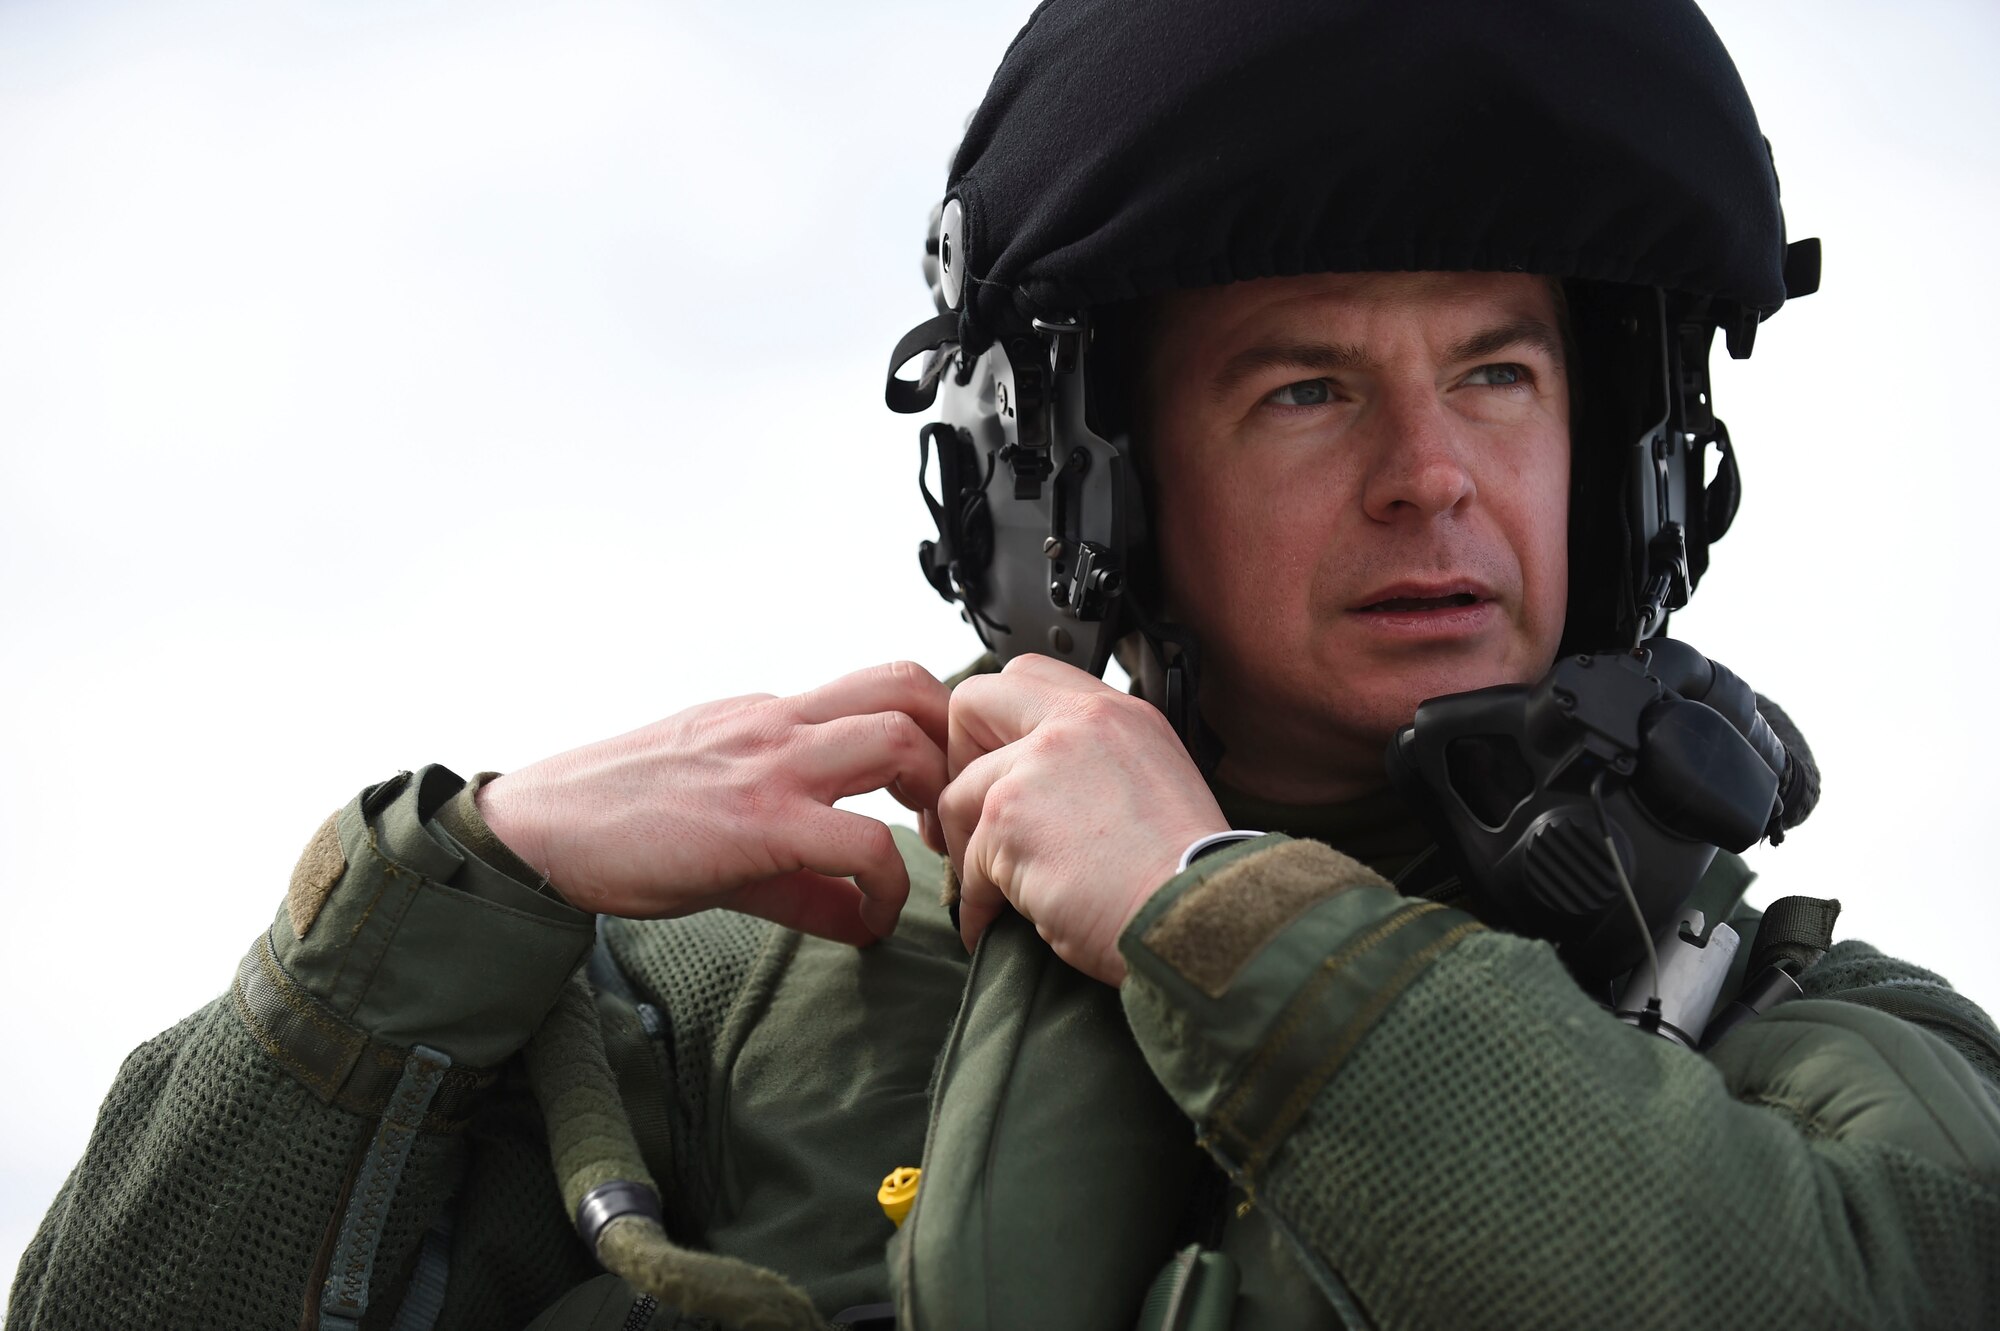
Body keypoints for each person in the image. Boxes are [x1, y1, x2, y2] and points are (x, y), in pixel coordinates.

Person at [11, 1, 2000, 1328]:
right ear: (1092, 493)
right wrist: (443, 903)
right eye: (1306, 390)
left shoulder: (1802, 1055)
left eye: (1497, 371)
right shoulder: (740, 1008)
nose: (1430, 477)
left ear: (1627, 457)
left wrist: (1219, 929)